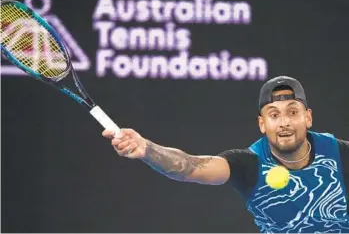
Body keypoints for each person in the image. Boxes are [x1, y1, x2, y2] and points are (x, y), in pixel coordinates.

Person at [102, 75, 349, 233]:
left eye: (292, 112)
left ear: (308, 117)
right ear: (262, 124)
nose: (284, 122)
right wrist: (147, 148)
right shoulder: (248, 165)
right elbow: (190, 166)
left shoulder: (339, 154)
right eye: (274, 114)